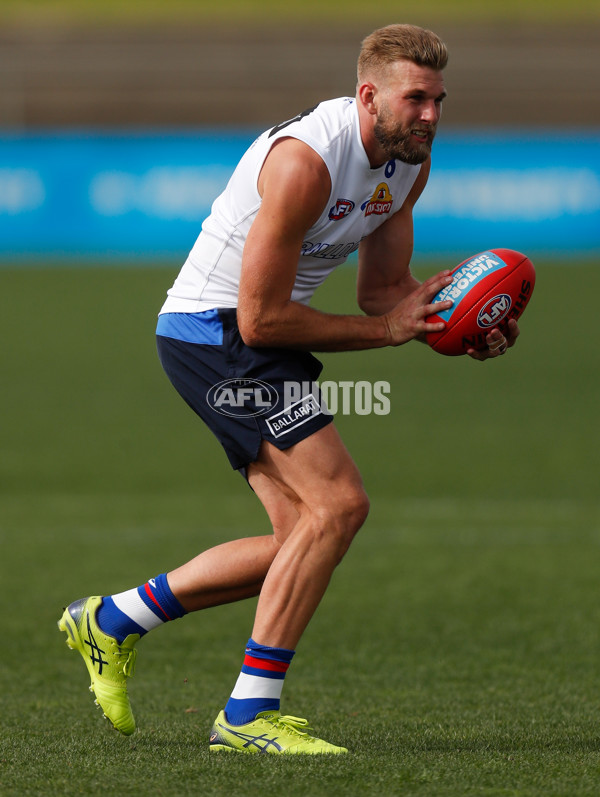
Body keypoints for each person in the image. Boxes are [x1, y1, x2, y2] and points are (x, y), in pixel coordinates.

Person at [58, 23, 519, 755]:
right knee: (339, 505)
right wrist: (394, 331)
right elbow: (263, 317)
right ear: (369, 96)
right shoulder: (307, 162)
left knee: (300, 539)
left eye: (438, 100)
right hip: (214, 332)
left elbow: (384, 294)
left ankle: (112, 620)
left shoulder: (406, 166)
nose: (430, 115)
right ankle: (246, 717)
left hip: (255, 336)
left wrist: (459, 325)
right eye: (415, 100)